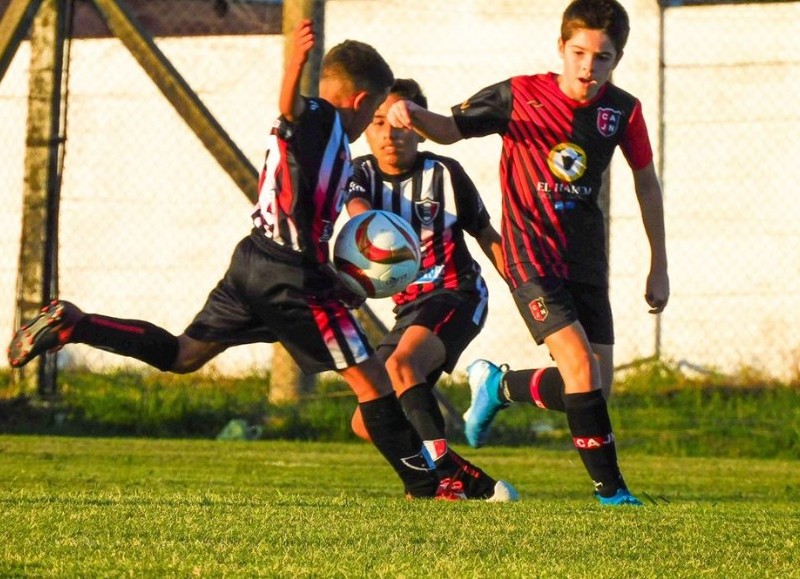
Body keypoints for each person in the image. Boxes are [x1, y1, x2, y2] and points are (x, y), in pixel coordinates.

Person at [7, 19, 440, 499]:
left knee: (184, 355)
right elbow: (291, 109)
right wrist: (293, 64)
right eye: (373, 112)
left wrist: (332, 277)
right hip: (289, 275)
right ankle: (427, 486)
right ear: (361, 101)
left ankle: (75, 324)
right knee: (371, 379)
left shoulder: (329, 137)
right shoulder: (323, 119)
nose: (370, 127)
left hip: (255, 259)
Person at [387, 0, 669, 506]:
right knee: (581, 366)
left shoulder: (622, 111)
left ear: (617, 58)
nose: (588, 66)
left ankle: (499, 386)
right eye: (579, 52)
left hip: (585, 259)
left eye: (602, 57)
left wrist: (659, 264)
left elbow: (645, 181)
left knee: (594, 390)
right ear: (561, 47)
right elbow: (450, 130)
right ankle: (613, 493)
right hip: (530, 257)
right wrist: (413, 114)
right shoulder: (518, 96)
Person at [346, 79, 517, 501]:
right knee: (367, 420)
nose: (390, 134)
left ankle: (442, 480)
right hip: (408, 311)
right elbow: (359, 214)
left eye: (402, 123)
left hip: (456, 294)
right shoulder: (359, 174)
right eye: (379, 122)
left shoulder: (444, 173)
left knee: (403, 366)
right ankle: (455, 476)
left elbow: (486, 235)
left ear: (419, 128)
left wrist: (528, 291)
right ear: (367, 128)